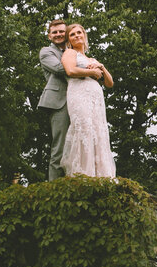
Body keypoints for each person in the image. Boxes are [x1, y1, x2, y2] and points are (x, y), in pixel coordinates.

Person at [38, 19, 102, 180]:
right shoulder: (46, 52)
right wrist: (89, 69)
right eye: (55, 32)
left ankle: (76, 180)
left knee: (81, 142)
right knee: (59, 147)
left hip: (81, 101)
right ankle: (55, 189)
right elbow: (62, 69)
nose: (59, 34)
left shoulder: (74, 51)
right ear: (49, 36)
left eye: (61, 31)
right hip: (60, 102)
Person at [60, 23, 115, 178]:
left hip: (95, 100)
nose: (77, 35)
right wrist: (92, 71)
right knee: (84, 129)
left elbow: (109, 83)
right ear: (69, 40)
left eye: (79, 32)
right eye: (72, 34)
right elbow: (70, 70)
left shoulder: (91, 59)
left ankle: (101, 175)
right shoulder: (69, 53)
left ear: (84, 35)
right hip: (79, 95)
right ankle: (83, 175)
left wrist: (101, 67)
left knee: (98, 131)